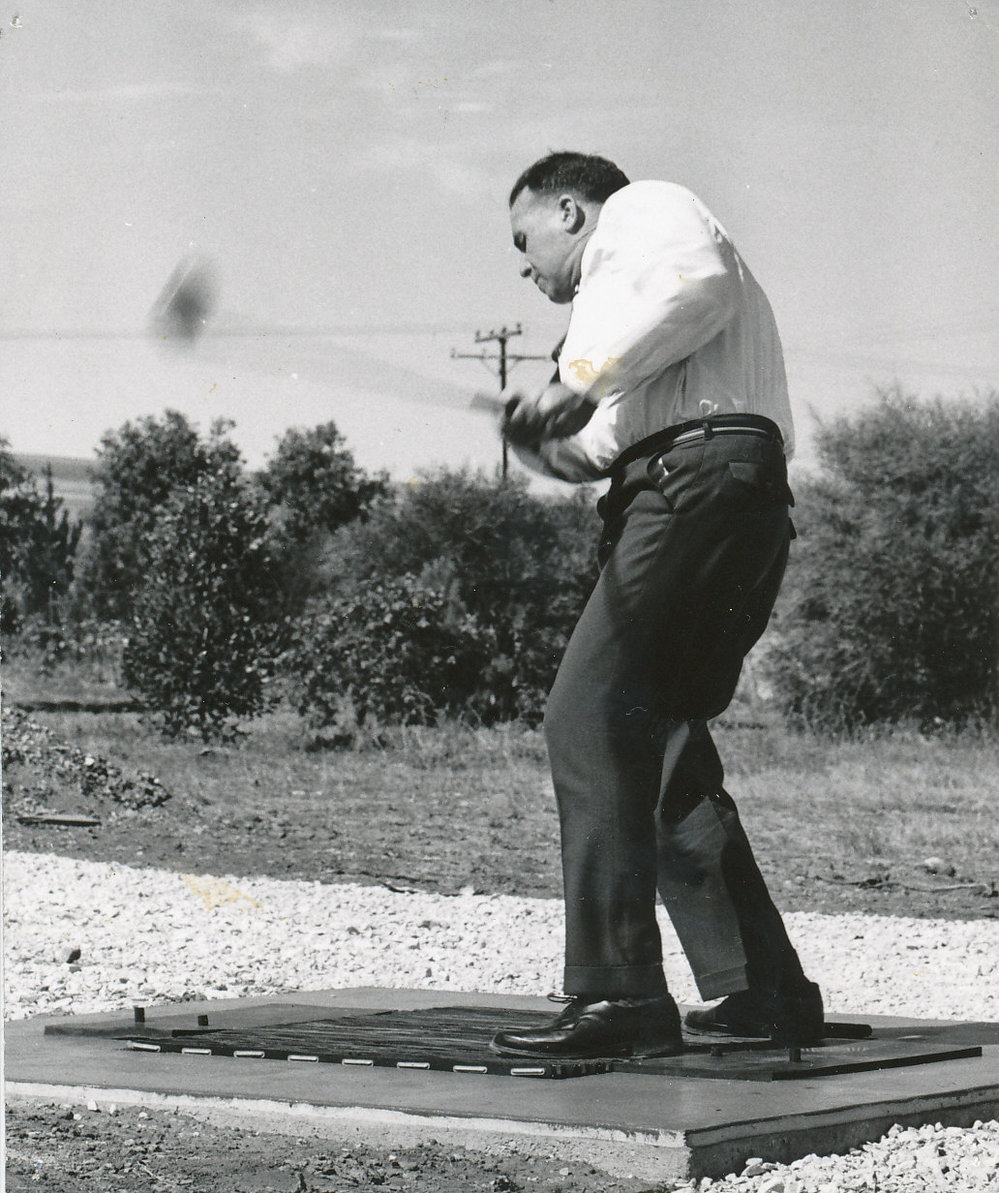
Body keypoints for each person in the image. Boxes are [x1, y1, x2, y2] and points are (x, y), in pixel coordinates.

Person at [488, 151, 823, 1061]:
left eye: (522, 240)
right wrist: (544, 439)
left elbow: (697, 288)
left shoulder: (642, 212)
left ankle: (618, 994)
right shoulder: (616, 302)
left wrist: (573, 380)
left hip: (694, 481)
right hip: (719, 485)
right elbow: (601, 441)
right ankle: (764, 990)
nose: (523, 266)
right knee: (662, 735)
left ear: (569, 210)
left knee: (587, 714)